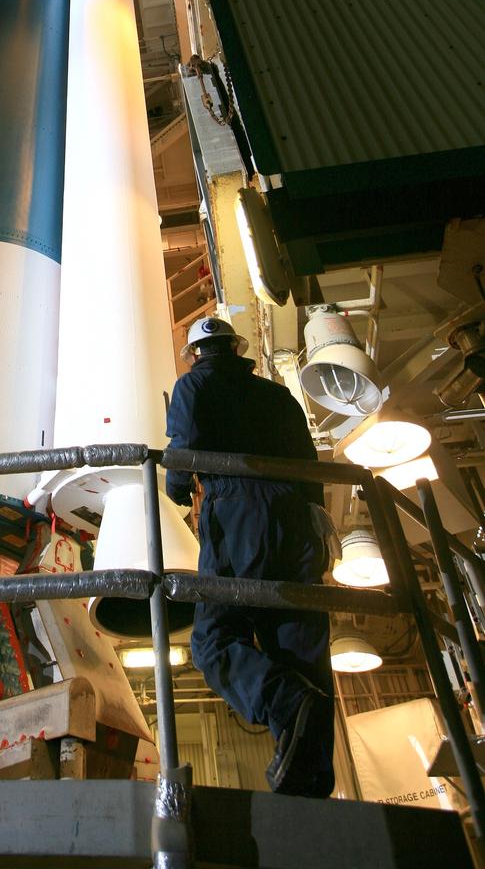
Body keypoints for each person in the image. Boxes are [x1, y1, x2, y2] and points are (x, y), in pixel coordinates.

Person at [165, 315, 337, 798]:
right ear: (237, 349)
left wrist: (177, 491)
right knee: (300, 648)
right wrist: (316, 515)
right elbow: (306, 458)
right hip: (297, 520)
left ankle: (282, 700)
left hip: (238, 516)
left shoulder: (192, 386)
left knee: (215, 639)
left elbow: (182, 452)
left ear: (196, 353)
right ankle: (312, 780)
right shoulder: (277, 395)